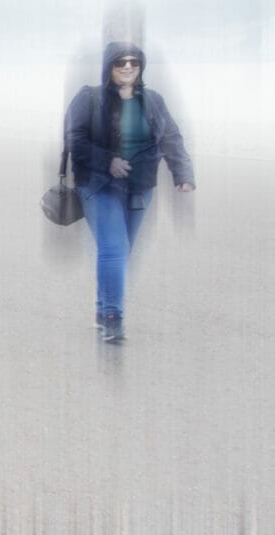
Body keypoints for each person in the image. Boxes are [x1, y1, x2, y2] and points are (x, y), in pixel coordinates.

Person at [66, 42, 195, 343]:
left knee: (121, 254)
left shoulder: (153, 101)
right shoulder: (89, 98)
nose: (127, 67)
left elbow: (172, 138)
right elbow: (74, 139)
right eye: (120, 62)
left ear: (141, 67)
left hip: (139, 188)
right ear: (108, 67)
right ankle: (113, 318)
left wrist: (183, 174)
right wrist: (107, 161)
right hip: (98, 185)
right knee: (112, 250)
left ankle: (102, 310)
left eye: (134, 62)